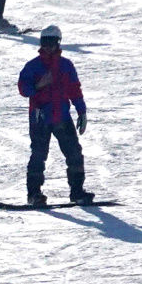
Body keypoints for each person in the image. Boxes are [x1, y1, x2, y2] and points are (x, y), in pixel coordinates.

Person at [17, 25, 93, 206]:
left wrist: (81, 110)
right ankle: (34, 194)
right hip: (40, 117)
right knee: (39, 154)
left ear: (58, 43)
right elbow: (23, 88)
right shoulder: (33, 66)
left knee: (74, 153)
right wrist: (38, 86)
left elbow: (74, 89)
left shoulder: (66, 66)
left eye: (51, 42)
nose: (48, 46)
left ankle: (77, 192)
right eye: (45, 42)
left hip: (62, 116)